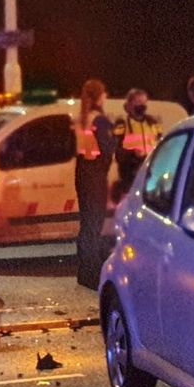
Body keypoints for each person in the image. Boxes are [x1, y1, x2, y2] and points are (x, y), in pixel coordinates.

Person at [74, 79, 116, 289]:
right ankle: (92, 274)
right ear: (99, 96)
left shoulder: (82, 118)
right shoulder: (99, 119)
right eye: (104, 93)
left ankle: (83, 271)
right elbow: (108, 148)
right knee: (94, 224)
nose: (106, 96)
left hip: (82, 174)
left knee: (85, 223)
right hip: (95, 176)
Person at [112, 88, 162, 201]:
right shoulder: (122, 124)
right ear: (129, 104)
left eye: (144, 102)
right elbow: (117, 153)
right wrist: (132, 153)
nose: (142, 105)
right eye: (138, 102)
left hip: (150, 175)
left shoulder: (152, 123)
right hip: (130, 176)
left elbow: (160, 145)